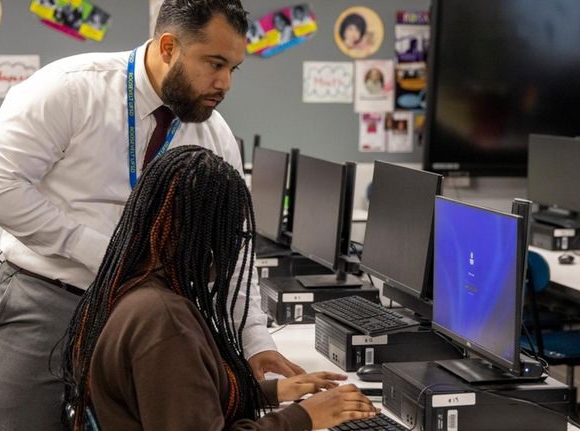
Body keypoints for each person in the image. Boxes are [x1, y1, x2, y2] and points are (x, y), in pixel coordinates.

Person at [0, 0, 304, 429]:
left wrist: (255, 340)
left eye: (233, 69)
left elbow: (235, 246)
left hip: (145, 316)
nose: (224, 83)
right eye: (214, 63)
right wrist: (106, 255)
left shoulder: (214, 134)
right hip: (50, 297)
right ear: (168, 47)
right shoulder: (70, 89)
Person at [63, 146, 378, 430]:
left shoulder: (133, 287)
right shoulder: (163, 319)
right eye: (230, 236)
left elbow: (181, 395)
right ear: (198, 237)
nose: (233, 250)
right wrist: (303, 416)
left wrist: (269, 393)